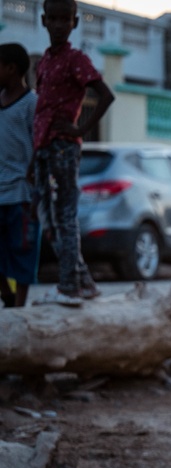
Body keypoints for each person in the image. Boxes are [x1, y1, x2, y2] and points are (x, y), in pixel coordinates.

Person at [32, 0, 114, 307]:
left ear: (74, 24)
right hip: (42, 150)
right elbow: (41, 111)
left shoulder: (75, 59)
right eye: (52, 18)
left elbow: (105, 95)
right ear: (43, 20)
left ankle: (68, 287)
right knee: (47, 217)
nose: (57, 25)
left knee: (65, 216)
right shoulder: (44, 62)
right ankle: (83, 281)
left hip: (64, 148)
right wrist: (32, 158)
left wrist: (81, 129)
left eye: (64, 19)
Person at [0, 43, 39, 308]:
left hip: (20, 192)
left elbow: (39, 143)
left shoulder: (31, 103)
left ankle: (19, 308)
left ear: (11, 69)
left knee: (23, 251)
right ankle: (7, 294)